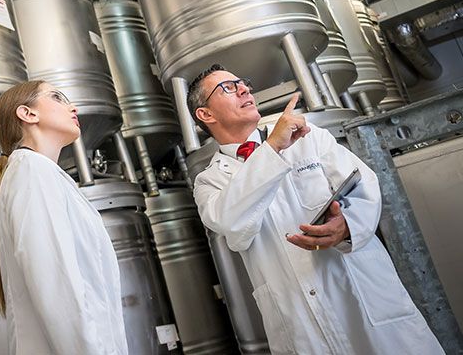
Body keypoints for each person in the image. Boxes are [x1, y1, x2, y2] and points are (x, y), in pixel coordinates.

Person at [188, 64, 443, 354]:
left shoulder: (309, 137)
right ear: (205, 114)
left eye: (242, 82)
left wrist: (347, 225)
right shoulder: (209, 181)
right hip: (301, 324)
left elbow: (365, 187)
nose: (245, 89)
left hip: (365, 301)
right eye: (228, 88)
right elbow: (232, 223)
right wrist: (271, 148)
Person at [0, 80, 129, 355]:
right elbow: (58, 288)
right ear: (28, 114)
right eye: (57, 97)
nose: (73, 107)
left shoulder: (39, 172)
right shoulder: (32, 172)